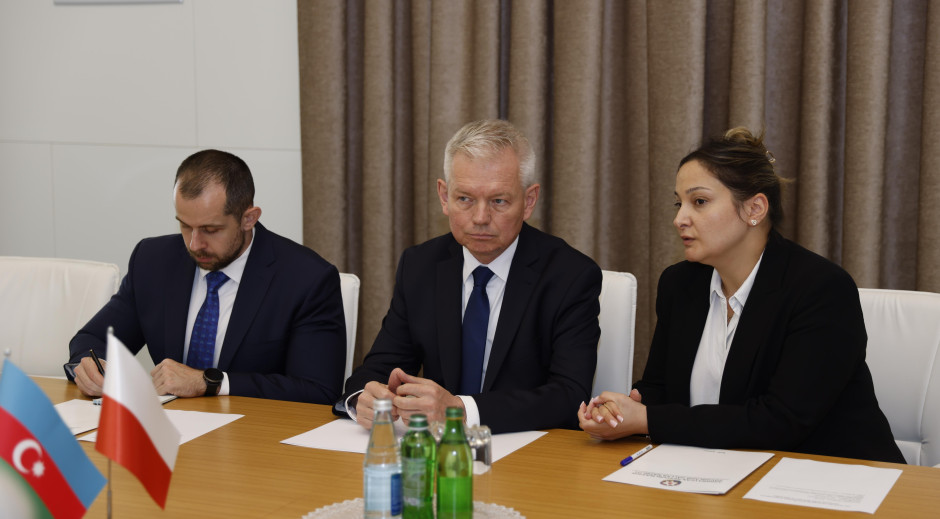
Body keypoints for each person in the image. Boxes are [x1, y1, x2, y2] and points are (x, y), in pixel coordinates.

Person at [579, 128, 904, 463]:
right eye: (679, 203)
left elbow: (780, 421)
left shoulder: (821, 289)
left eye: (699, 202)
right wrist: (622, 410)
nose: (679, 219)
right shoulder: (680, 284)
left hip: (835, 475)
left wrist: (647, 419)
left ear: (755, 209)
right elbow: (661, 388)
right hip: (719, 470)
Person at [342, 119, 602, 434]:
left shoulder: (570, 276)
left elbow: (569, 395)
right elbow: (380, 367)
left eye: (498, 201)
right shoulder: (420, 265)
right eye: (465, 199)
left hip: (525, 448)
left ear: (529, 201)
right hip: (435, 449)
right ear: (444, 196)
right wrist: (363, 398)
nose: (480, 218)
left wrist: (461, 410)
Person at [67, 149, 346, 404]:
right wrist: (91, 366)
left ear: (248, 218)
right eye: (185, 226)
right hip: (170, 428)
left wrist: (211, 382)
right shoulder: (153, 260)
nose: (194, 244)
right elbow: (93, 338)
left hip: (255, 433)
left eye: (211, 230)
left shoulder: (306, 279)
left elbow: (318, 390)